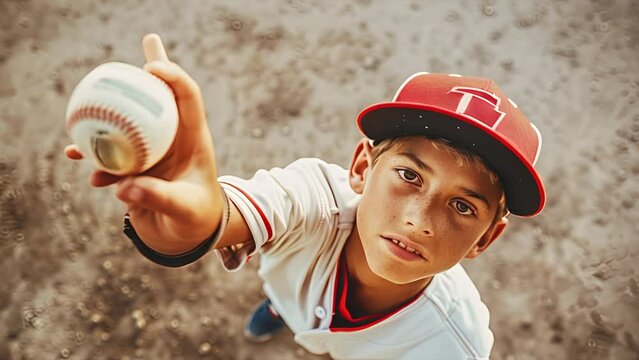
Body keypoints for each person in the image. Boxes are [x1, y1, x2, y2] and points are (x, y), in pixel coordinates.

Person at [64, 34, 546, 360]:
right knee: (284, 295)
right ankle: (277, 309)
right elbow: (230, 212)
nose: (420, 219)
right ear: (361, 167)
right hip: (288, 284)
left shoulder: (455, 345)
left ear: (486, 238)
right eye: (409, 175)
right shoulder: (314, 197)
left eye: (463, 206)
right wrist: (194, 226)